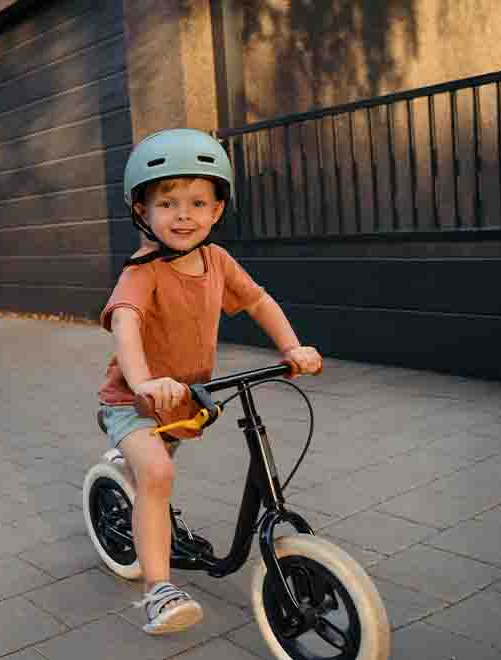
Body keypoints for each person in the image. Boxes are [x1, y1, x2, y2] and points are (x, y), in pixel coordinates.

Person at [97, 128, 323, 635]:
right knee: (157, 475)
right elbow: (125, 323)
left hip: (185, 400)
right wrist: (143, 382)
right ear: (143, 211)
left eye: (198, 202)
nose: (183, 215)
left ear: (218, 209)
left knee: (154, 474)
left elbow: (260, 301)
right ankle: (158, 591)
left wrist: (291, 348)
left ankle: (129, 478)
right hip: (133, 401)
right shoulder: (143, 270)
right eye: (168, 202)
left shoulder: (217, 261)